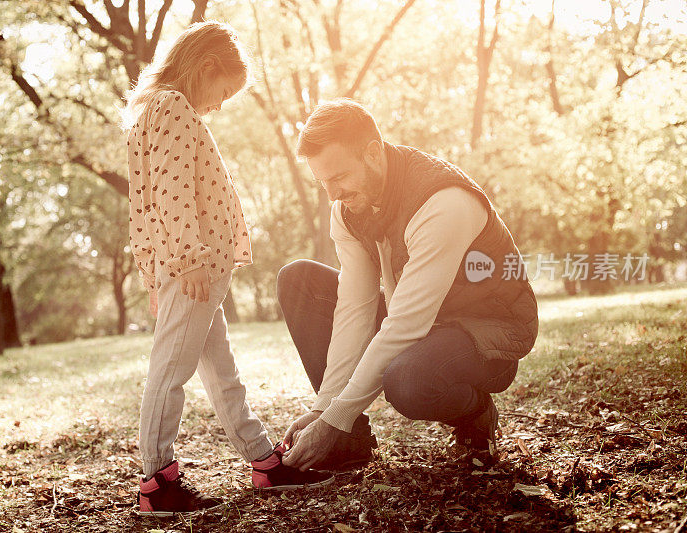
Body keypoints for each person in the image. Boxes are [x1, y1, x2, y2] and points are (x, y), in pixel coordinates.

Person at [122, 21, 333, 517]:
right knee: (170, 372)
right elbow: (170, 193)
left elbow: (145, 203)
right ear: (207, 66)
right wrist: (186, 260)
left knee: (220, 371)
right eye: (222, 92)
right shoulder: (172, 107)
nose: (218, 105)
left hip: (191, 266)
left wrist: (158, 270)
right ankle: (157, 483)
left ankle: (262, 459)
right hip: (195, 265)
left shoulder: (153, 110)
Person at [277, 99, 539, 472]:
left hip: (485, 332)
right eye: (322, 182)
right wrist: (326, 407)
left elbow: (405, 325)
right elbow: (356, 307)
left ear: (372, 153)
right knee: (298, 280)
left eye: (338, 177)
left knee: (408, 381)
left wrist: (335, 415)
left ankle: (476, 412)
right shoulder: (349, 209)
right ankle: (348, 442)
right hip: (420, 319)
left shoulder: (442, 202)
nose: (332, 194)